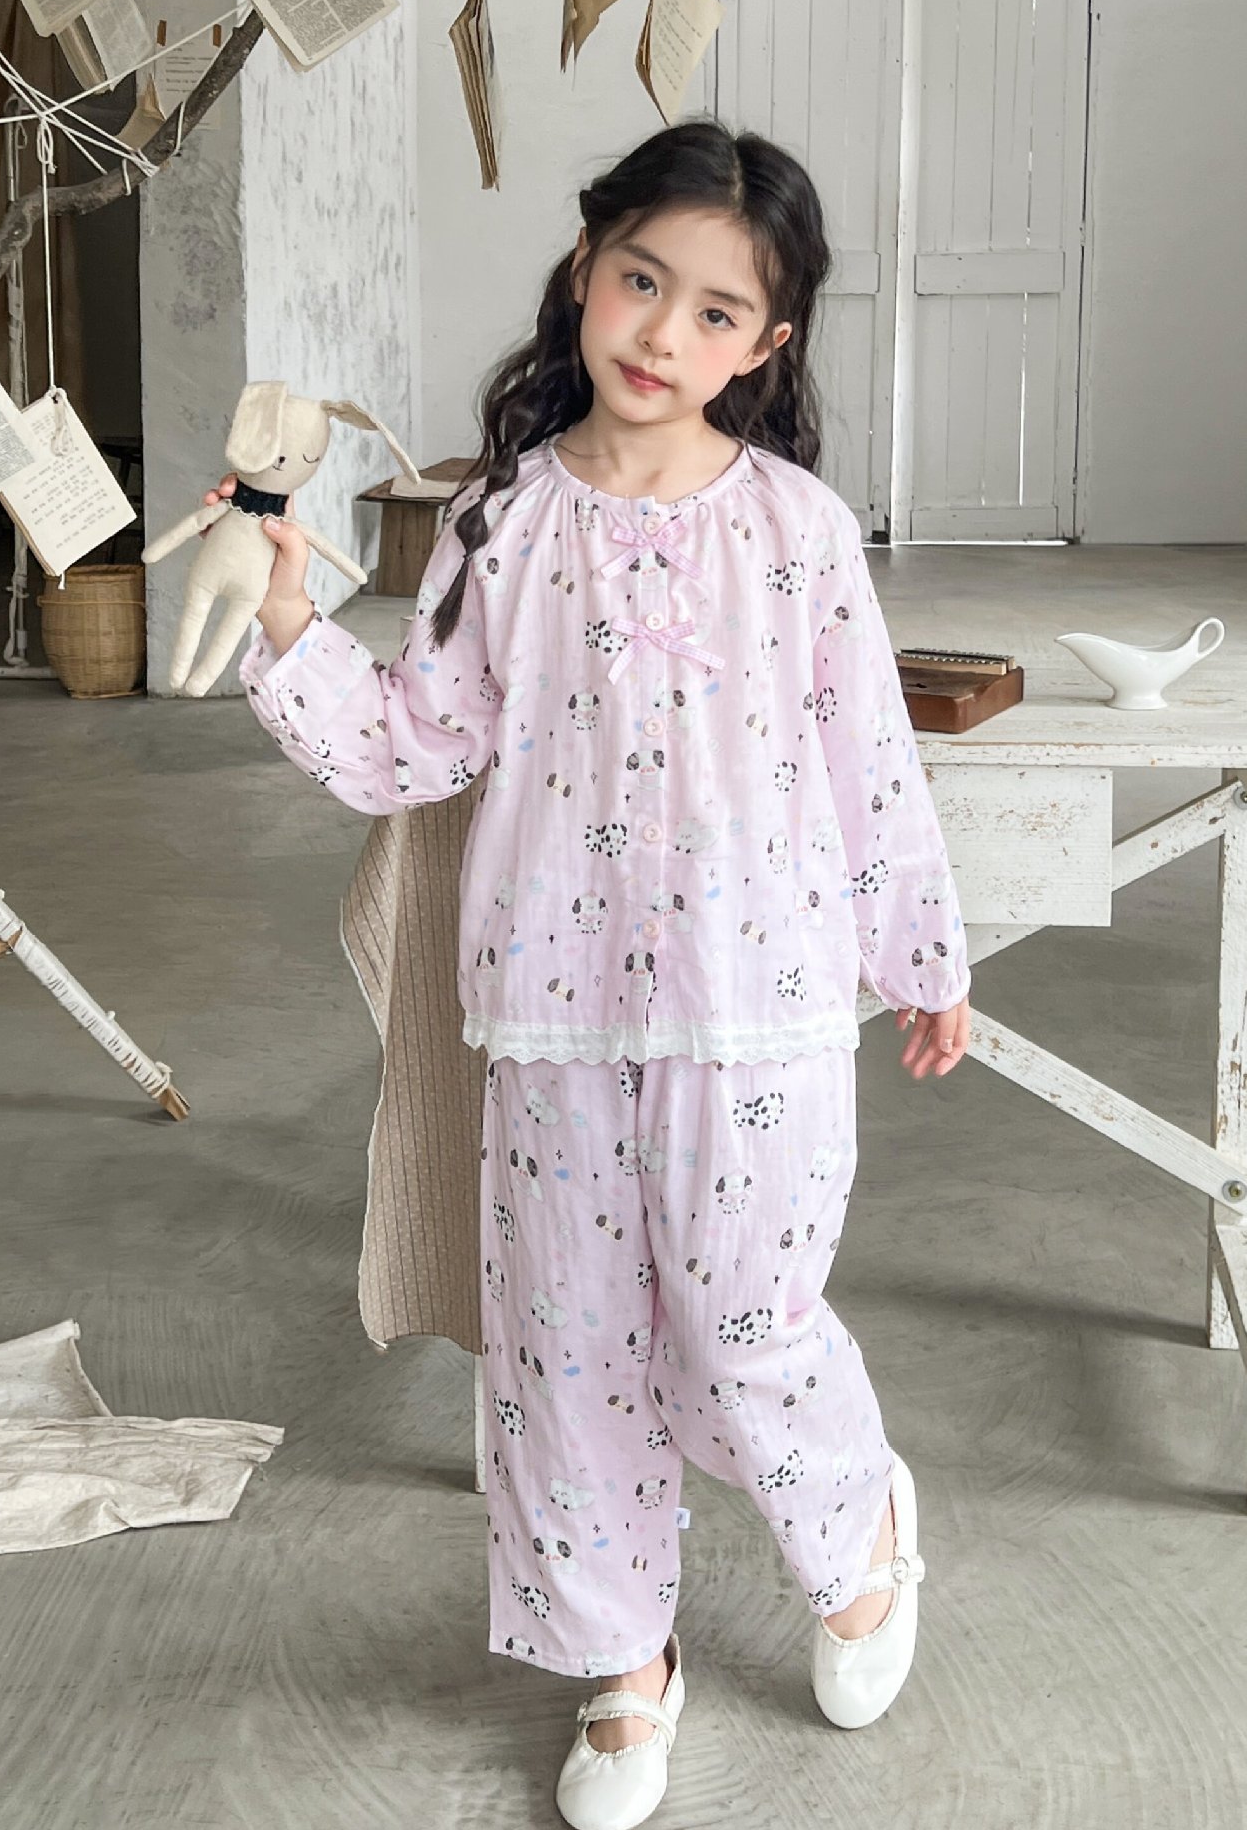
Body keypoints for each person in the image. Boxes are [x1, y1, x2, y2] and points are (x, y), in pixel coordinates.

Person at [219, 118, 972, 1830]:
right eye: (642, 280)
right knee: (564, 1350)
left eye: (715, 312)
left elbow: (864, 755)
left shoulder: (794, 527)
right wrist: (285, 617)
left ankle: (857, 1530)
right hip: (549, 1007)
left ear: (765, 346)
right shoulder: (498, 519)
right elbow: (413, 745)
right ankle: (621, 1658)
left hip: (761, 1007)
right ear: (584, 268)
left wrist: (920, 949)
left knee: (745, 1325)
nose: (661, 333)